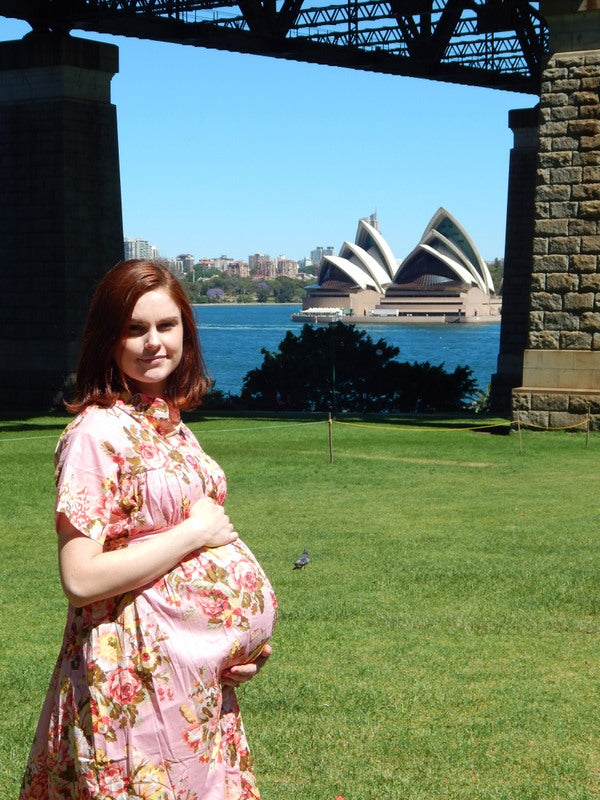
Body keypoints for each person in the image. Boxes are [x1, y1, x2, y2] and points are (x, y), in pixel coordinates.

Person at [20, 259, 277, 800]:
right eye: (135, 329)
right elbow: (81, 578)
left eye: (167, 325)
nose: (154, 342)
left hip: (192, 685)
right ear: (107, 340)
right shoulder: (97, 432)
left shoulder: (170, 425)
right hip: (131, 687)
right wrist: (195, 531)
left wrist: (229, 645)